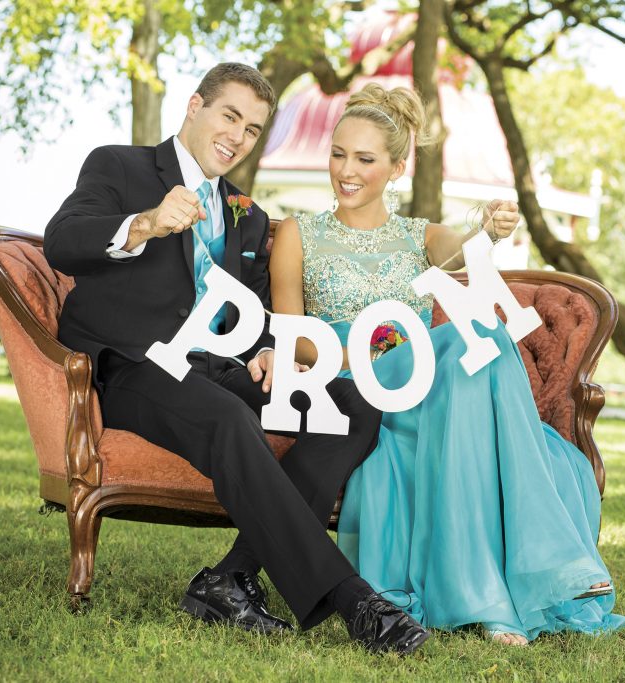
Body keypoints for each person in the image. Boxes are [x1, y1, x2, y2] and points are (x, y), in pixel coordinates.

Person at [43, 63, 429, 655]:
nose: (238, 136)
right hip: (135, 368)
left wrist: (270, 350)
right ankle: (354, 601)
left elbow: (250, 311)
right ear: (195, 106)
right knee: (227, 417)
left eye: (252, 129)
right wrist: (145, 224)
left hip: (216, 368)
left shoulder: (243, 210)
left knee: (352, 404)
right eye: (230, 116)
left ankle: (229, 577)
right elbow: (63, 241)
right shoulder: (119, 165)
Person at [269, 83, 625, 646]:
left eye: (364, 159)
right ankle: (493, 595)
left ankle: (488, 591)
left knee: (477, 338)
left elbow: (462, 248)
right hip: (352, 381)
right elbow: (296, 340)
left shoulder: (422, 236)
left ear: (395, 168)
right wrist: (368, 348)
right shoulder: (298, 233)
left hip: (425, 389)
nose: (346, 170)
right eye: (338, 153)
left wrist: (487, 227)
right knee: (465, 344)